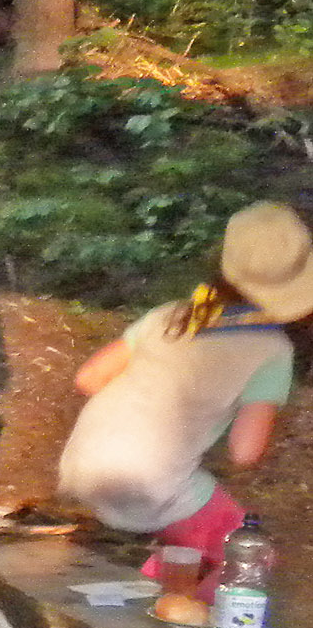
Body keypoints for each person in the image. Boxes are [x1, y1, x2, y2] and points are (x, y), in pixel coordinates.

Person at [58, 202, 313, 584]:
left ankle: (152, 592)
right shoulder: (272, 350)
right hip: (150, 482)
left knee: (188, 539)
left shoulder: (170, 315)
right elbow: (245, 453)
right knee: (250, 556)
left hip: (80, 465)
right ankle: (174, 611)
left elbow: (89, 378)